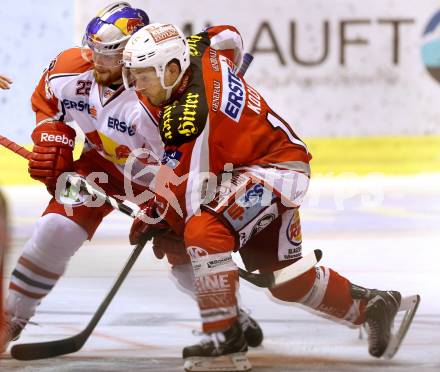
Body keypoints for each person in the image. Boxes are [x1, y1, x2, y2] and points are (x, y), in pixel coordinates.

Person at [124, 23, 412, 371]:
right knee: (287, 280)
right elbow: (229, 35)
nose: (138, 87)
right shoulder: (197, 47)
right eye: (134, 76)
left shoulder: (188, 118)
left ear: (172, 69)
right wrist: (228, 75)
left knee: (203, 232)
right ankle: (372, 306)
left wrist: (157, 218)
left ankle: (223, 338)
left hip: (274, 172)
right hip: (257, 166)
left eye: (144, 77)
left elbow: (190, 197)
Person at [0, 3, 262, 354]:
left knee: (183, 259)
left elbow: (227, 36)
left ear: (130, 55)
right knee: (55, 229)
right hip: (101, 167)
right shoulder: (70, 69)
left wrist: (161, 210)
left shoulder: (162, 95)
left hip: (162, 178)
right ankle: (10, 319)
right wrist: (51, 134)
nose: (95, 60)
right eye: (91, 48)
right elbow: (47, 100)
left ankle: (230, 317)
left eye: (106, 54)